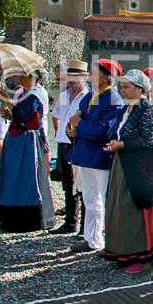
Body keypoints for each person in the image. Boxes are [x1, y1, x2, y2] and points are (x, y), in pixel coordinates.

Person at [103, 70, 153, 273]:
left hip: (141, 168)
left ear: (139, 88)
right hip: (123, 164)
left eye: (126, 87)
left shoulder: (147, 109)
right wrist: (113, 144)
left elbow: (147, 140)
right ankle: (121, 250)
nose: (122, 90)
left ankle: (142, 256)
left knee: (133, 209)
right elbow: (119, 132)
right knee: (119, 206)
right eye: (121, 87)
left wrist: (121, 145)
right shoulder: (126, 109)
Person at [67, 59, 124, 252]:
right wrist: (72, 129)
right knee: (89, 200)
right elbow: (80, 118)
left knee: (106, 200)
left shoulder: (114, 99)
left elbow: (106, 130)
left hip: (101, 157)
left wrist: (79, 125)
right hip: (85, 154)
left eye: (93, 73)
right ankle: (92, 239)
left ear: (106, 77)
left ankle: (111, 242)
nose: (89, 77)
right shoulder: (90, 97)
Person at [0, 72, 56, 232]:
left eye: (23, 76)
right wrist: (8, 112)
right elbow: (18, 116)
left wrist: (6, 99)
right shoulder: (27, 94)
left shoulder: (35, 94)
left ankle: (25, 218)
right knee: (14, 174)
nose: (19, 79)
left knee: (25, 175)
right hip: (19, 138)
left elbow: (23, 117)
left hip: (27, 140)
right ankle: (10, 210)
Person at [49, 60, 90, 235]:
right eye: (69, 77)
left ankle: (84, 228)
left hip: (77, 145)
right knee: (67, 185)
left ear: (83, 78)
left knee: (82, 186)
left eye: (74, 77)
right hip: (62, 144)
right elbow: (55, 114)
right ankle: (70, 223)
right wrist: (59, 131)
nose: (70, 81)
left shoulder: (88, 96)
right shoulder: (64, 95)